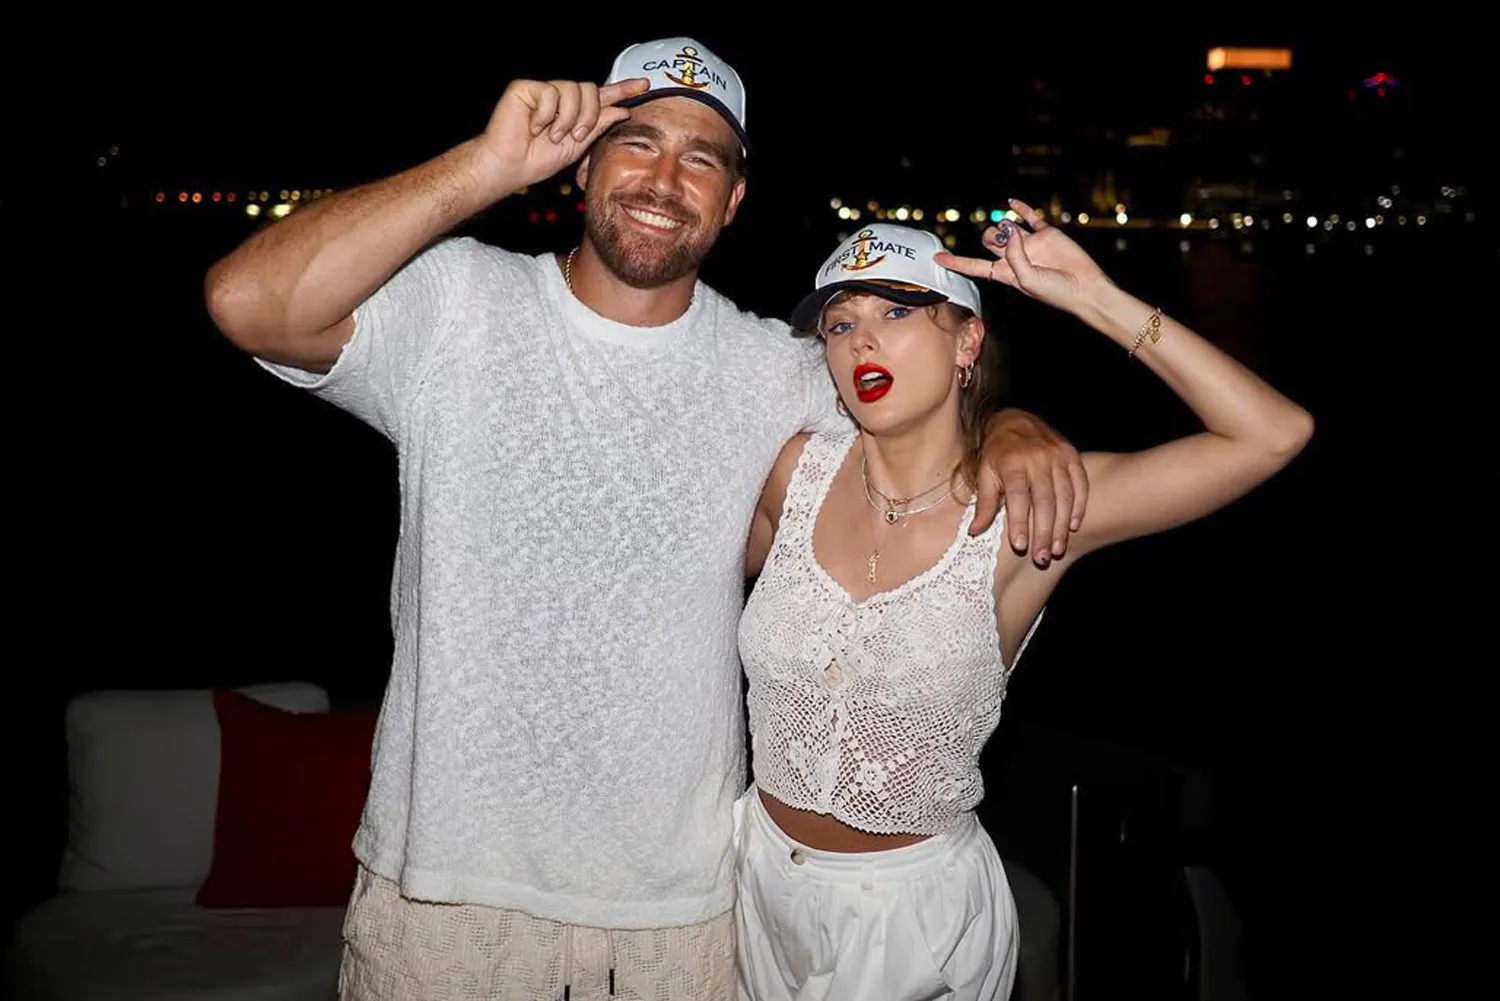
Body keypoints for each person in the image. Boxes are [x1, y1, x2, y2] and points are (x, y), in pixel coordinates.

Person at [203, 38, 1088, 1001]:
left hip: (681, 919)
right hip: (445, 901)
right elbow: (250, 303)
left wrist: (1010, 426)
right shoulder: (459, 302)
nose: (665, 180)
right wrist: (487, 165)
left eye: (701, 158)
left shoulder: (777, 372)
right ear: (582, 164)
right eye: (638, 142)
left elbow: (917, 409)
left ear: (733, 200)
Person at [734, 215, 1314, 1000]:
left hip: (912, 929)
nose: (862, 339)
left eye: (898, 311)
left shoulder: (1029, 511)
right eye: (841, 323)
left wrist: (1095, 297)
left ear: (966, 341)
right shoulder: (791, 474)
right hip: (755, 884)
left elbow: (1271, 434)